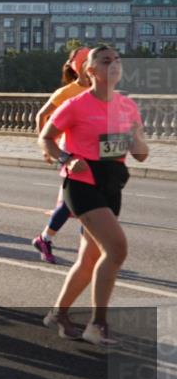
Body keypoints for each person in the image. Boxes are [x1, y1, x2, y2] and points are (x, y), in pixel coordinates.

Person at [40, 45, 149, 346]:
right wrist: (66, 158)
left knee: (89, 259)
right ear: (90, 70)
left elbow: (141, 154)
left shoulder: (128, 106)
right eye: (105, 60)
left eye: (117, 60)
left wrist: (136, 137)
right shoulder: (76, 105)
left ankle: (58, 314)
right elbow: (46, 138)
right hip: (81, 182)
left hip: (112, 185)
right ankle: (97, 325)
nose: (113, 64)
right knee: (116, 248)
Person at [31, 46, 91, 264]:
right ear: (80, 68)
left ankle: (48, 240)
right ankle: (50, 241)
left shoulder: (101, 91)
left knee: (79, 204)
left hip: (94, 153)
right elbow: (41, 115)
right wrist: (46, 147)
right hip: (72, 152)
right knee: (81, 204)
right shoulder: (66, 93)